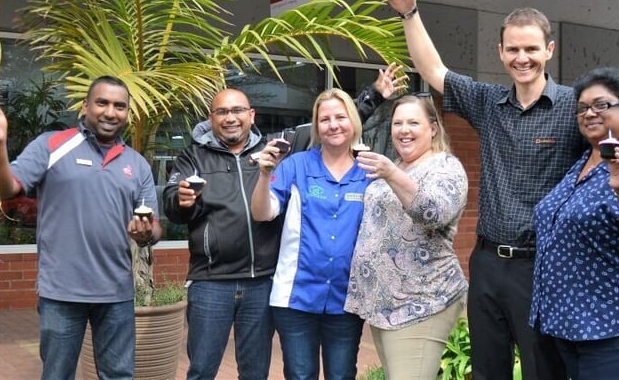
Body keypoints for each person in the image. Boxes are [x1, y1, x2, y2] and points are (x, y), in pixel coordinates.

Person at [384, 0, 619, 380]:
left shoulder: (576, 107)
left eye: (532, 49)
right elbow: (433, 69)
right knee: (488, 371)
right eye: (514, 49)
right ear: (501, 53)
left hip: (541, 264)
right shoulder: (488, 102)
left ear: (549, 50)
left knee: (542, 372)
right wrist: (410, 12)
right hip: (487, 260)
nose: (523, 58)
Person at [161, 66, 404, 380]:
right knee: (202, 369)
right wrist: (180, 200)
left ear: (252, 115)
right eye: (222, 112)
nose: (230, 118)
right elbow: (173, 202)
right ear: (211, 118)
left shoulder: (276, 147)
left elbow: (334, 125)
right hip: (212, 280)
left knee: (256, 372)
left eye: (237, 110)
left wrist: (375, 95)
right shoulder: (193, 157)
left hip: (262, 280)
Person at [0, 75, 160, 380]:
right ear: (86, 106)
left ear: (127, 113)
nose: (110, 112)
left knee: (119, 375)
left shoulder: (138, 164)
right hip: (62, 291)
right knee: (57, 375)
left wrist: (145, 234)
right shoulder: (52, 145)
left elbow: (154, 228)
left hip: (116, 291)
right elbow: (3, 188)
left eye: (119, 106)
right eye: (102, 103)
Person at [530, 67, 619, 379]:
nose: (589, 113)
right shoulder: (581, 163)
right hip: (575, 325)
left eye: (601, 104)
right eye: (582, 108)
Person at [345, 94, 468, 380]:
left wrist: (390, 174)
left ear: (433, 128)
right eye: (397, 123)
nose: (404, 130)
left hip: (421, 302)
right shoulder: (399, 165)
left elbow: (434, 213)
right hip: (385, 304)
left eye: (413, 122)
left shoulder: (445, 166)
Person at [251, 88, 369, 380]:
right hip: (296, 298)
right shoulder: (295, 165)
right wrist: (264, 175)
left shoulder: (370, 172)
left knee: (341, 375)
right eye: (325, 119)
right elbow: (262, 213)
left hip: (347, 300)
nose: (333, 125)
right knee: (300, 375)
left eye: (340, 117)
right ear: (316, 126)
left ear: (353, 121)